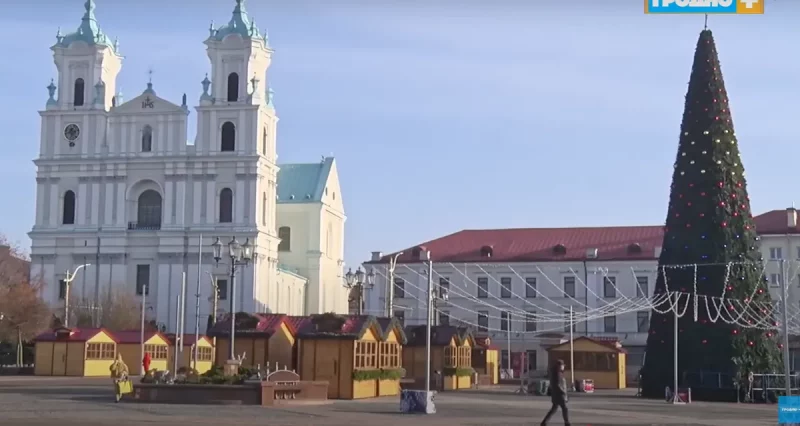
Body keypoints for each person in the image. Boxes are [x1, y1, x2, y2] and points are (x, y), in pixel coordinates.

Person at [541, 359, 570, 426]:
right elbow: (558, 384)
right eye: (562, 365)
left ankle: (544, 422)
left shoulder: (556, 372)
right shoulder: (557, 373)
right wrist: (563, 392)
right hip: (559, 394)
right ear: (559, 366)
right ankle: (567, 423)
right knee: (564, 408)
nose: (563, 367)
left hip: (556, 394)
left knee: (554, 409)